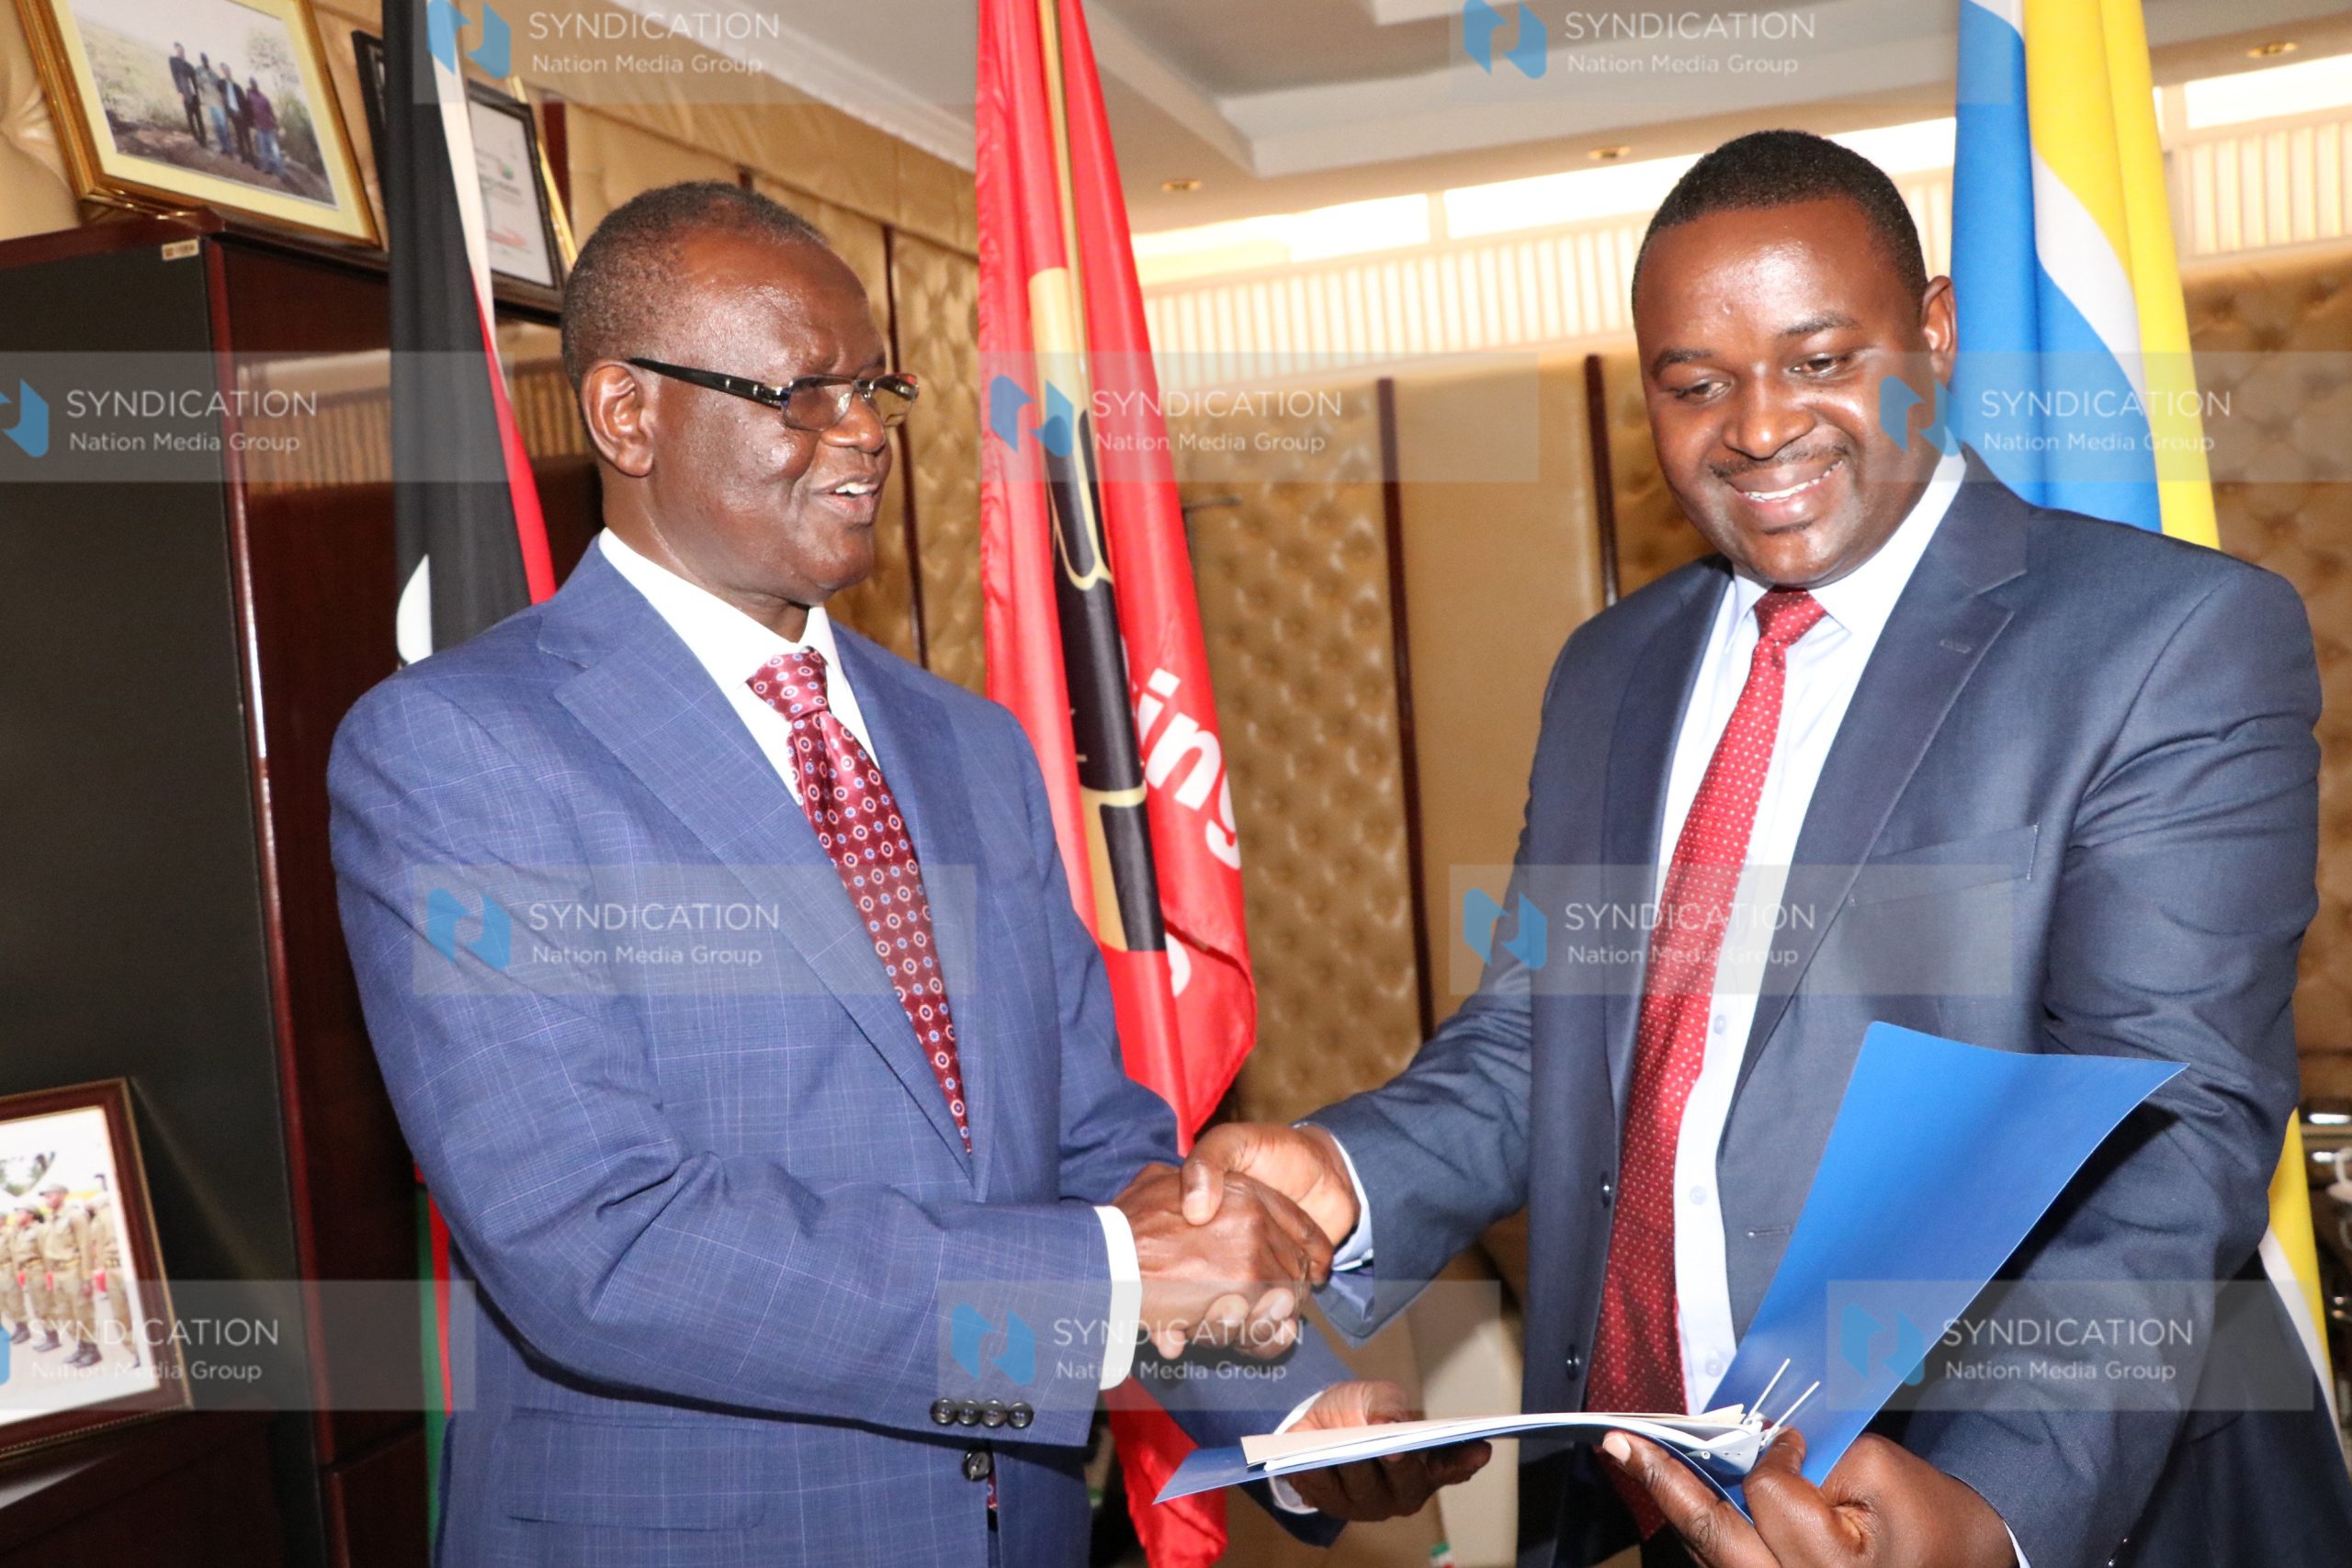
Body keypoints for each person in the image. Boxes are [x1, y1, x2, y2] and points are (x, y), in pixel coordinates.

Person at [1181, 129, 2352, 1566]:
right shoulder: (1613, 667)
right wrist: (1343, 1172)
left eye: (1818, 358)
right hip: (1641, 1505)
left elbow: (2169, 1138)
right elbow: (1549, 1030)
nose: (1757, 424)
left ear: (1934, 332)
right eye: (1695, 383)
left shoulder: (2161, 639)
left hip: (1991, 1499)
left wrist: (1994, 1508)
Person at [330, 181, 1350, 1567]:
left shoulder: (972, 745)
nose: (863, 431)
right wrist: (1109, 1277)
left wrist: (1302, 1408)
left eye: (872, 386)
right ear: (626, 413)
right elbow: (600, 1242)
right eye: (799, 393)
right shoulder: (459, 747)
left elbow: (1096, 1147)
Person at [36, 1180, 97, 1370]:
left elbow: (86, 1247)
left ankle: (92, 1350)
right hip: (57, 1273)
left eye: (50, 1195)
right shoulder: (49, 1219)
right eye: (45, 1196)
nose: (47, 1199)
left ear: (62, 1194)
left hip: (73, 1270)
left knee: (82, 1312)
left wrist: (87, 1278)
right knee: (66, 1314)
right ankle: (81, 1347)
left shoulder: (74, 1216)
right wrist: (49, 1275)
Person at [168, 44, 205, 148]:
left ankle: (203, 139)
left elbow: (195, 81)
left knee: (199, 118)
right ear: (175, 52)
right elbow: (175, 77)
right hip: (185, 93)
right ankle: (196, 137)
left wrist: (199, 95)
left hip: (194, 95)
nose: (181, 53)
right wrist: (180, 92)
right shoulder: (173, 61)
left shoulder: (189, 66)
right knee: (190, 117)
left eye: (182, 51)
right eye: (179, 51)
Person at [243, 77, 281, 178]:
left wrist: (276, 125)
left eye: (255, 83)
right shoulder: (249, 95)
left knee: (274, 149)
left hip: (269, 126)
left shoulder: (264, 97)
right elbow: (248, 110)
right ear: (250, 84)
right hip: (259, 127)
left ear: (257, 84)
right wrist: (251, 122)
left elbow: (271, 112)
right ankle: (267, 168)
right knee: (263, 149)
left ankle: (280, 171)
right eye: (252, 83)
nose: (253, 84)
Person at [197, 56, 231, 160]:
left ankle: (228, 148)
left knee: (223, 127)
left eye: (206, 60)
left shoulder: (214, 74)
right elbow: (199, 85)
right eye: (203, 60)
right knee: (217, 127)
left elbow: (220, 85)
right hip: (211, 104)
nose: (205, 61)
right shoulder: (199, 72)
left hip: (219, 103)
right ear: (202, 61)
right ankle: (224, 147)